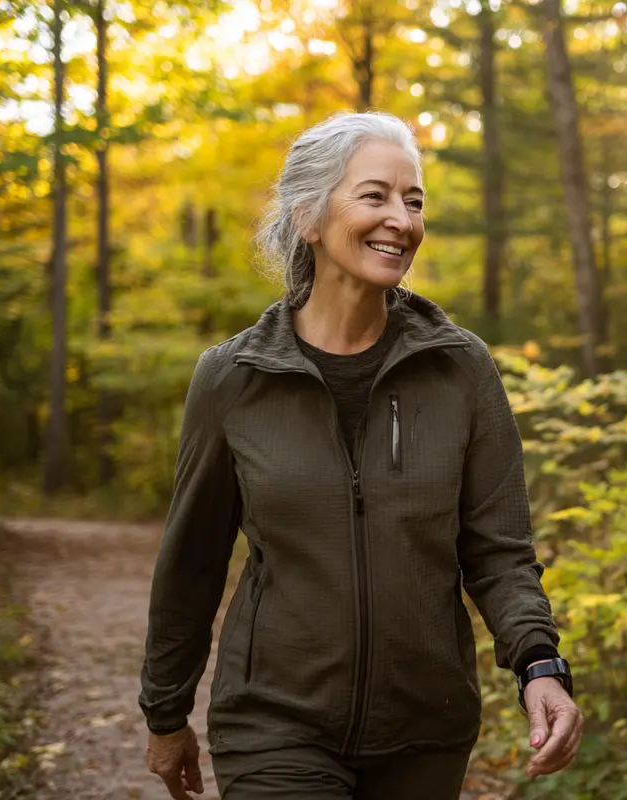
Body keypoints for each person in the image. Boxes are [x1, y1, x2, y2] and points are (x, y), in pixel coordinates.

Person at [137, 110, 582, 799]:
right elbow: (192, 563)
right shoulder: (233, 378)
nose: (401, 220)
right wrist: (166, 713)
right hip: (274, 722)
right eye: (375, 196)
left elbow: (499, 551)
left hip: (426, 729)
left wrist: (539, 664)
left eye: (414, 201)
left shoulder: (460, 368)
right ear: (308, 217)